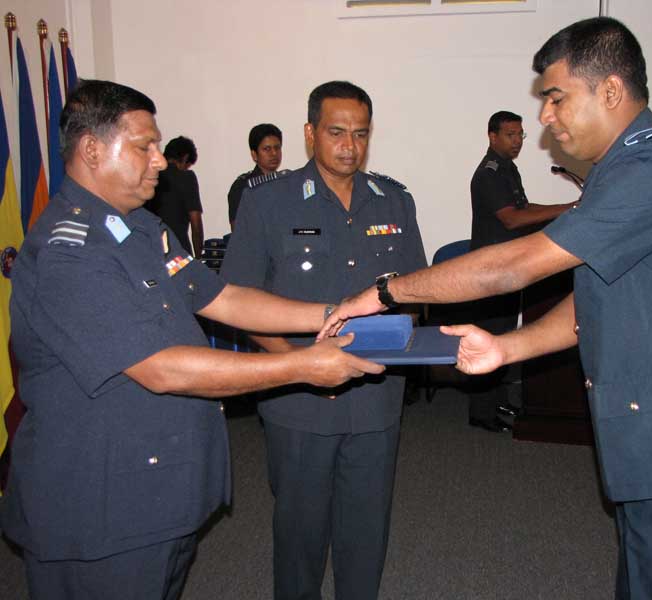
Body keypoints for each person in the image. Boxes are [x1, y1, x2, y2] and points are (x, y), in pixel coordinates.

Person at [321, 18, 652, 600]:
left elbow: (512, 266)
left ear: (611, 91)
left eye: (555, 97)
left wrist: (384, 292)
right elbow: (594, 298)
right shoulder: (621, 171)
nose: (545, 115)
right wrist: (508, 347)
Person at [0, 79, 383, 600]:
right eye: (145, 147)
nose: (160, 160)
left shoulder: (141, 230)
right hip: (98, 509)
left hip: (155, 492)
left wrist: (334, 311)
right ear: (91, 150)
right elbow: (161, 367)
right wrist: (303, 366)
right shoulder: (70, 252)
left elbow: (223, 298)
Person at [222, 80, 427, 600]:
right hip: (299, 400)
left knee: (366, 530)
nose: (349, 146)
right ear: (310, 133)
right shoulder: (267, 202)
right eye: (336, 132)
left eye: (360, 134)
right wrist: (298, 365)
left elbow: (416, 290)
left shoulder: (394, 201)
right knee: (300, 532)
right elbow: (238, 302)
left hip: (376, 396)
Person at [467, 110, 576, 433]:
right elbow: (512, 219)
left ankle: (498, 400)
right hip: (490, 272)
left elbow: (525, 209)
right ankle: (481, 413)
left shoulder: (507, 168)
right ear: (493, 136)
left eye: (520, 135)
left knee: (504, 335)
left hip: (509, 267)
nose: (517, 141)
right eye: (510, 135)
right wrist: (569, 208)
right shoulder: (489, 173)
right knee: (491, 336)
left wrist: (565, 209)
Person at [145, 135, 204, 256]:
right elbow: (196, 222)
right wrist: (198, 257)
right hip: (178, 250)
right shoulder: (186, 178)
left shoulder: (150, 177)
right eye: (187, 165)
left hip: (151, 250)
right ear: (185, 157)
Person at [227, 123, 284, 230]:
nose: (274, 153)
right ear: (254, 155)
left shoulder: (287, 182)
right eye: (267, 149)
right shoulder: (242, 187)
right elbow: (238, 231)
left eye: (277, 148)